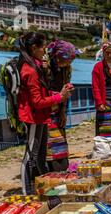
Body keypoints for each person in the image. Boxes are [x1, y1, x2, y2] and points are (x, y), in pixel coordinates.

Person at [17, 32, 73, 195]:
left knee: (40, 156)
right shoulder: (31, 70)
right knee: (31, 156)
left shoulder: (36, 66)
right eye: (42, 47)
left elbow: (43, 93)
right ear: (34, 48)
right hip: (33, 117)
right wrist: (58, 97)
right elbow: (37, 101)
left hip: (42, 116)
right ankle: (27, 190)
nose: (45, 50)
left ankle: (43, 186)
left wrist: (59, 95)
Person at [43, 40, 76, 172]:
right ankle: (50, 172)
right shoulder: (44, 68)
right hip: (45, 110)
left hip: (57, 110)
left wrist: (62, 111)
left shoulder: (65, 69)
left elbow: (65, 90)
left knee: (60, 143)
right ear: (57, 56)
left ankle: (62, 169)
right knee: (49, 145)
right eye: (67, 60)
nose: (68, 63)